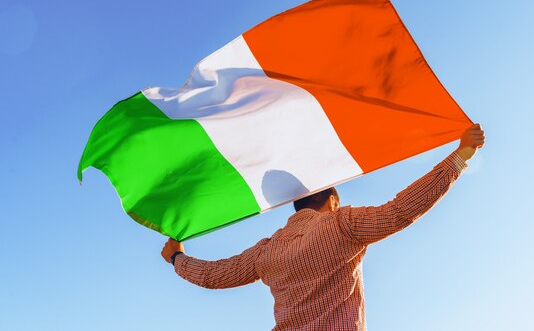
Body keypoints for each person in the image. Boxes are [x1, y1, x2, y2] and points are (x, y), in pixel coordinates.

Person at [161, 123, 485, 331]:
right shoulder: (342, 224)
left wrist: (177, 257)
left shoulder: (265, 252)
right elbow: (401, 210)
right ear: (332, 201)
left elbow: (214, 276)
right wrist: (459, 157)